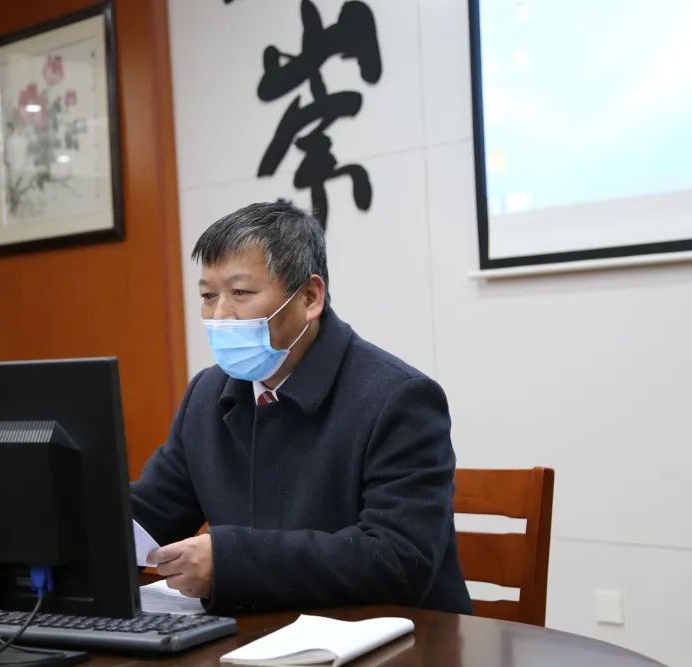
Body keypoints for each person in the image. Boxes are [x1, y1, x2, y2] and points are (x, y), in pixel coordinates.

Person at [130, 201, 471, 614]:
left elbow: (399, 559)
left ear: (310, 297)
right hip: (259, 633)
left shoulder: (399, 398)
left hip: (395, 636)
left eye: (241, 293)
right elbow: (151, 514)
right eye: (208, 296)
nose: (220, 315)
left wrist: (232, 561)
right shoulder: (208, 394)